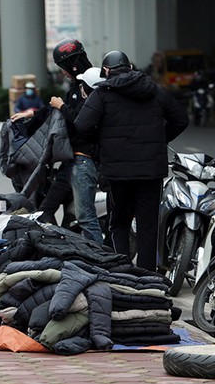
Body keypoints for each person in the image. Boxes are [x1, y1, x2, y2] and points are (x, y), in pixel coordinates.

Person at [75, 50, 189, 271]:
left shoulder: (102, 93)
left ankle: (123, 271)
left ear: (106, 70)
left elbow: (82, 126)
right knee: (148, 225)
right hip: (150, 172)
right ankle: (147, 275)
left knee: (119, 222)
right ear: (130, 68)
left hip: (118, 173)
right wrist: (159, 140)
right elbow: (181, 119)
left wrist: (102, 144)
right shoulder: (154, 90)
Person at [11, 38, 104, 244]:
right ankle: (64, 247)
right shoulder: (75, 87)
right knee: (45, 210)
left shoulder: (93, 85)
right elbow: (55, 113)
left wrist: (62, 107)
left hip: (85, 161)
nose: (62, 72)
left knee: (86, 218)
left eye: (63, 68)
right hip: (70, 162)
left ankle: (100, 258)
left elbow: (83, 122)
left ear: (73, 64)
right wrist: (30, 115)